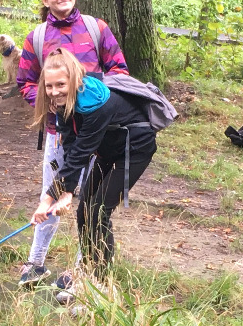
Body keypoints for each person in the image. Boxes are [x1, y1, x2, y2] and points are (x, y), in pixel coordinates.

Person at [16, 0, 128, 287]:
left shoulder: (97, 29)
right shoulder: (36, 38)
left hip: (97, 135)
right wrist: (49, 100)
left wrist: (95, 103)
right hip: (57, 133)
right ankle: (35, 263)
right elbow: (24, 82)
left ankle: (80, 269)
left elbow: (120, 72)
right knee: (51, 193)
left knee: (88, 199)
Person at [28, 49, 154, 304]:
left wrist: (59, 196)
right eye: (49, 86)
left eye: (60, 84)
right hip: (107, 151)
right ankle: (86, 277)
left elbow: (82, 152)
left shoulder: (97, 103)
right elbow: (71, 148)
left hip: (134, 150)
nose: (54, 91)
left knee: (98, 211)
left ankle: (101, 287)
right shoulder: (61, 104)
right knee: (84, 211)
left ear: (74, 79)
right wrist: (54, 197)